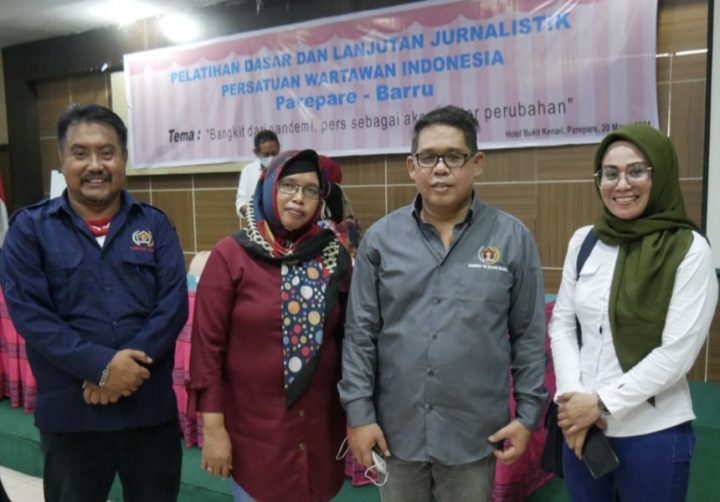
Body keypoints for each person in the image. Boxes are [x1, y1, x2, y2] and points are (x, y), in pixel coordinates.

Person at [338, 105, 547, 501]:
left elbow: (529, 336)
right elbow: (359, 335)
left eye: (453, 156)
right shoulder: (381, 240)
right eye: (428, 157)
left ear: (477, 163)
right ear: (411, 166)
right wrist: (359, 414)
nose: (440, 169)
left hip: (474, 433)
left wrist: (527, 416)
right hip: (395, 432)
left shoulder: (512, 238)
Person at [0, 104, 188, 502]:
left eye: (106, 152)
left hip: (148, 411)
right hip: (72, 416)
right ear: (62, 160)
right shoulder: (30, 229)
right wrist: (102, 368)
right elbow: (32, 316)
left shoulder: (154, 224)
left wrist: (124, 371)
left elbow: (172, 307)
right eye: (80, 153)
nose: (95, 165)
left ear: (124, 158)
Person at [549, 124, 718, 501]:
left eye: (637, 171)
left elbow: (677, 353)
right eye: (610, 173)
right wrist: (573, 401)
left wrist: (599, 403)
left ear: (661, 174)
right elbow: (563, 325)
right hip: (582, 427)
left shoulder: (689, 249)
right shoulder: (585, 241)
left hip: (652, 432)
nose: (621, 184)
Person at [190, 149, 352, 502]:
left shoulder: (332, 256)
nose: (299, 197)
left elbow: (348, 339)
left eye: (311, 190)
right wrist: (213, 430)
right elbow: (207, 349)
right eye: (288, 185)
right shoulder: (231, 255)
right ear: (267, 188)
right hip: (256, 434)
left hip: (318, 430)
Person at [235, 130, 280, 217]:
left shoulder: (287, 168)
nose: (271, 158)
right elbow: (241, 203)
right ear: (256, 152)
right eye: (266, 155)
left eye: (274, 153)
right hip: (257, 221)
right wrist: (252, 212)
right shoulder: (248, 171)